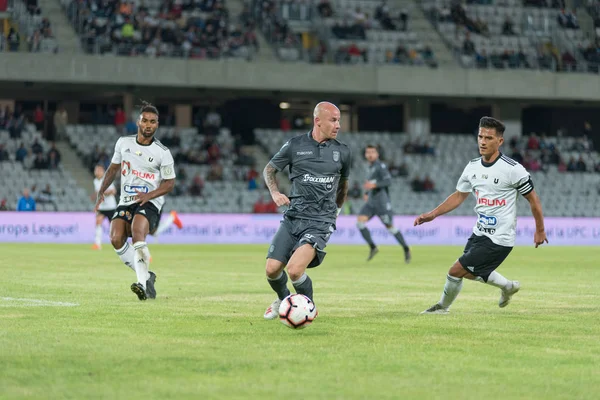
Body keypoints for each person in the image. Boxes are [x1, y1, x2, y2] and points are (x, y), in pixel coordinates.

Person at [415, 117, 548, 314]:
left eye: (489, 138)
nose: (483, 141)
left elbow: (534, 200)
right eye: (480, 136)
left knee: (455, 271)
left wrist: (540, 230)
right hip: (480, 232)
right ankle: (508, 287)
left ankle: (442, 307)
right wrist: (433, 214)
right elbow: (460, 195)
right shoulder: (472, 166)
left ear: (500, 141)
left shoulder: (513, 169)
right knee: (470, 273)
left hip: (500, 238)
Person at [262, 101, 352, 319]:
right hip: (293, 217)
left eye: (339, 120)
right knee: (272, 269)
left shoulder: (343, 152)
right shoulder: (295, 145)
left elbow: (343, 186)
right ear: (317, 121)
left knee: (294, 270)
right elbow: (269, 169)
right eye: (333, 120)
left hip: (320, 221)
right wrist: (275, 193)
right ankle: (284, 301)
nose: (338, 125)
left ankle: (307, 310)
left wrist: (335, 213)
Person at [94, 101, 176, 301]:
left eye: (153, 122)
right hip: (126, 200)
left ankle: (141, 284)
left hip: (150, 201)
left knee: (138, 232)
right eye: (145, 120)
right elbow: (113, 168)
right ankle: (148, 276)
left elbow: (170, 183)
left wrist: (150, 195)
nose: (148, 125)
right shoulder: (124, 143)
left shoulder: (162, 152)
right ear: (138, 122)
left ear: (157, 125)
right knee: (115, 237)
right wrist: (102, 190)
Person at [356, 145, 411, 263]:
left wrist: (374, 186)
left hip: (382, 203)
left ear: (377, 154)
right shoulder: (370, 167)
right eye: (368, 152)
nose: (370, 154)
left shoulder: (380, 166)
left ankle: (406, 248)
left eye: (372, 152)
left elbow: (388, 181)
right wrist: (366, 192)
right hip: (371, 203)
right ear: (365, 155)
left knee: (390, 227)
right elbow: (370, 183)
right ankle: (373, 247)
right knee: (360, 222)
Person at [92, 164, 118, 250]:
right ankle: (97, 244)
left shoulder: (107, 179)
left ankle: (118, 242)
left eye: (99, 170)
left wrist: (103, 192)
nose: (97, 172)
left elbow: (113, 191)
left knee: (113, 226)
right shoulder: (95, 181)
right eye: (96, 170)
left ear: (103, 171)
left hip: (111, 207)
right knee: (98, 221)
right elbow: (98, 193)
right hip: (102, 207)